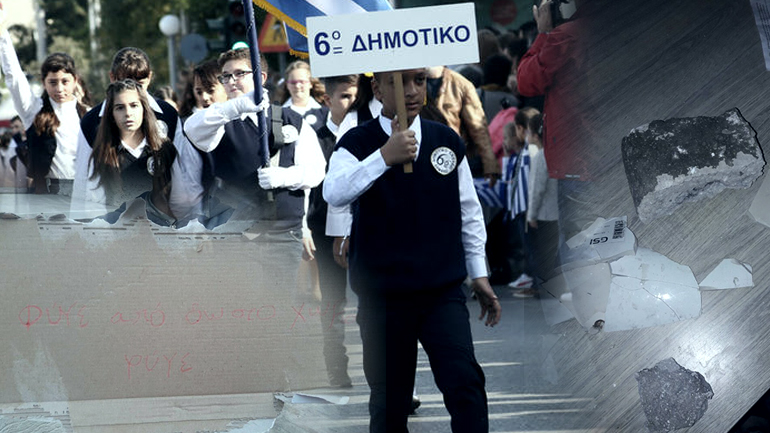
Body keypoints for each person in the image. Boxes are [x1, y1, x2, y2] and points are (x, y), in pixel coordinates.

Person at [323, 68, 501, 433]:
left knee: (465, 384)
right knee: (390, 401)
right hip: (383, 295)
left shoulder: (445, 139)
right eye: (398, 82)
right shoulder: (357, 140)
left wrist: (479, 273)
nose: (411, 91)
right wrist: (383, 157)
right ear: (378, 89)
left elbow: (468, 210)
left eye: (418, 81)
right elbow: (334, 192)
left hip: (441, 291)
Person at [183, 47, 324, 249]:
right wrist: (237, 106)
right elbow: (191, 128)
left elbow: (316, 170)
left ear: (261, 77)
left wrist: (285, 176)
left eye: (239, 73)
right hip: (235, 234)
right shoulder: (219, 119)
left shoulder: (291, 118)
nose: (231, 81)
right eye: (226, 76)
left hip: (284, 232)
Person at [72, 47, 205, 225]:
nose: (132, 90)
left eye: (139, 84)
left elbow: (184, 170)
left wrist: (191, 221)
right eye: (125, 82)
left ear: (149, 77)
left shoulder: (167, 115)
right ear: (112, 78)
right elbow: (84, 181)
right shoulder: (92, 122)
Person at [305, 74, 359, 388]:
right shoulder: (314, 135)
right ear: (327, 100)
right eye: (344, 96)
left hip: (363, 227)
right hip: (324, 228)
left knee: (374, 300)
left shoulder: (367, 133)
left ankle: (386, 371)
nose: (351, 103)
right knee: (333, 302)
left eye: (355, 96)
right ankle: (336, 366)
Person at [0, 4, 89, 195]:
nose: (59, 89)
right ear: (44, 82)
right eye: (53, 82)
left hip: (85, 194)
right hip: (47, 197)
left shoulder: (88, 114)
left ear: (75, 80)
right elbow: (14, 77)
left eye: (65, 81)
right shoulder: (33, 110)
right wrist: (2, 32)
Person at [81, 79, 178, 223]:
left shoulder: (165, 149)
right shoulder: (102, 154)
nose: (128, 113)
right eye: (120, 108)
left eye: (134, 106)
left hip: (161, 229)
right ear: (111, 114)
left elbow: (180, 197)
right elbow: (94, 205)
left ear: (144, 108)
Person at [425, 65, 500, 182]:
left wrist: (490, 165)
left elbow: (478, 127)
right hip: (422, 154)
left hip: (453, 155)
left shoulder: (461, 84)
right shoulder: (411, 83)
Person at [526, 113, 559, 283]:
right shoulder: (554, 153)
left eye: (528, 131)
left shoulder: (540, 157)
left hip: (544, 214)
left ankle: (545, 286)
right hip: (556, 212)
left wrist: (531, 215)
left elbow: (536, 190)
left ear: (535, 135)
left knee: (543, 255)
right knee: (553, 253)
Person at [279, 60, 327, 132]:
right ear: (287, 85)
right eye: (293, 82)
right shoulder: (278, 114)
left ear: (310, 83)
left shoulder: (326, 112)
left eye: (302, 82)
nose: (297, 86)